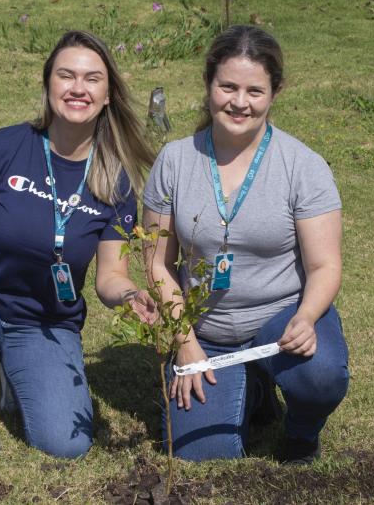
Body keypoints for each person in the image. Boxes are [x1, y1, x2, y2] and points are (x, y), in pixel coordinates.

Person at [0, 30, 156, 458]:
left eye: (92, 79)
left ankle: (19, 370)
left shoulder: (115, 180)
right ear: (48, 85)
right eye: (66, 76)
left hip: (45, 323)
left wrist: (130, 295)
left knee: (66, 445)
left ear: (109, 94)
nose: (78, 88)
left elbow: (111, 274)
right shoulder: (7, 146)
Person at [142, 25, 349, 463]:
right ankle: (253, 386)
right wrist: (185, 342)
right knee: (204, 454)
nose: (239, 102)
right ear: (208, 85)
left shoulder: (302, 166)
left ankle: (301, 431)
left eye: (255, 90)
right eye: (228, 87)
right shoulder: (174, 161)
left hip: (279, 320)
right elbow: (158, 264)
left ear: (275, 92)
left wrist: (307, 317)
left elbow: (325, 266)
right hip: (206, 332)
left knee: (321, 374)